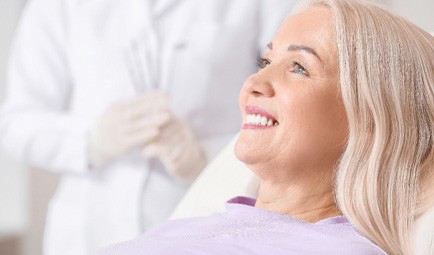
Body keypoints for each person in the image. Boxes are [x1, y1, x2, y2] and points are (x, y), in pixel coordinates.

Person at [96, 0, 434, 254]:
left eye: (299, 67)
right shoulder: (183, 229)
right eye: (266, 61)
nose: (254, 81)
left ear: (370, 120)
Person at [0, 0, 299, 254]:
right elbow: (15, 122)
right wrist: (91, 141)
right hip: (86, 231)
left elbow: (292, 108)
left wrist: (205, 158)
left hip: (202, 218)